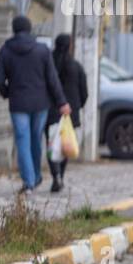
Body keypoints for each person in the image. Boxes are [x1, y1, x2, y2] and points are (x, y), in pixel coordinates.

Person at [0, 16, 70, 192]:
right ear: (29, 29)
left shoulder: (6, 50)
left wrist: (7, 92)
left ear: (14, 29)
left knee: (22, 141)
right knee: (36, 140)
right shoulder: (42, 50)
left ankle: (29, 182)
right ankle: (35, 176)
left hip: (18, 103)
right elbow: (52, 79)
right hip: (40, 104)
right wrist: (62, 102)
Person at [49, 33, 88, 193]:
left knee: (51, 144)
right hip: (71, 111)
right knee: (65, 145)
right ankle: (61, 177)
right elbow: (84, 92)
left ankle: (56, 175)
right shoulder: (76, 67)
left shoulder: (49, 64)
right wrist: (78, 105)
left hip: (52, 111)